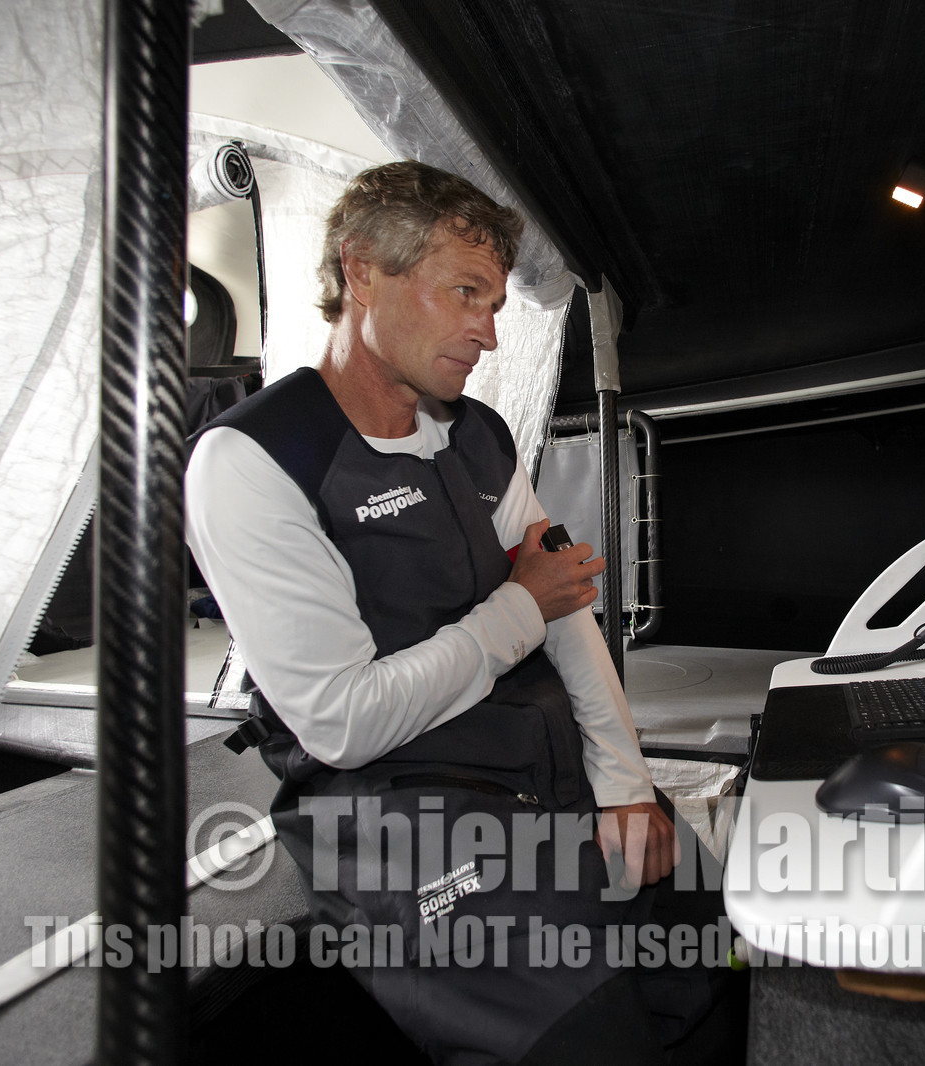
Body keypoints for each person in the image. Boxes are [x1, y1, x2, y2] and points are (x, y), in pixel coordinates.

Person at [185, 161, 735, 1065]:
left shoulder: (476, 434)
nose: (486, 332)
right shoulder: (253, 461)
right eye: (465, 294)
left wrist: (628, 788)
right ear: (362, 272)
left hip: (542, 775)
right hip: (401, 817)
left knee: (725, 947)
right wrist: (518, 604)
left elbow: (571, 614)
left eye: (494, 304)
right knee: (592, 1038)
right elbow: (344, 721)